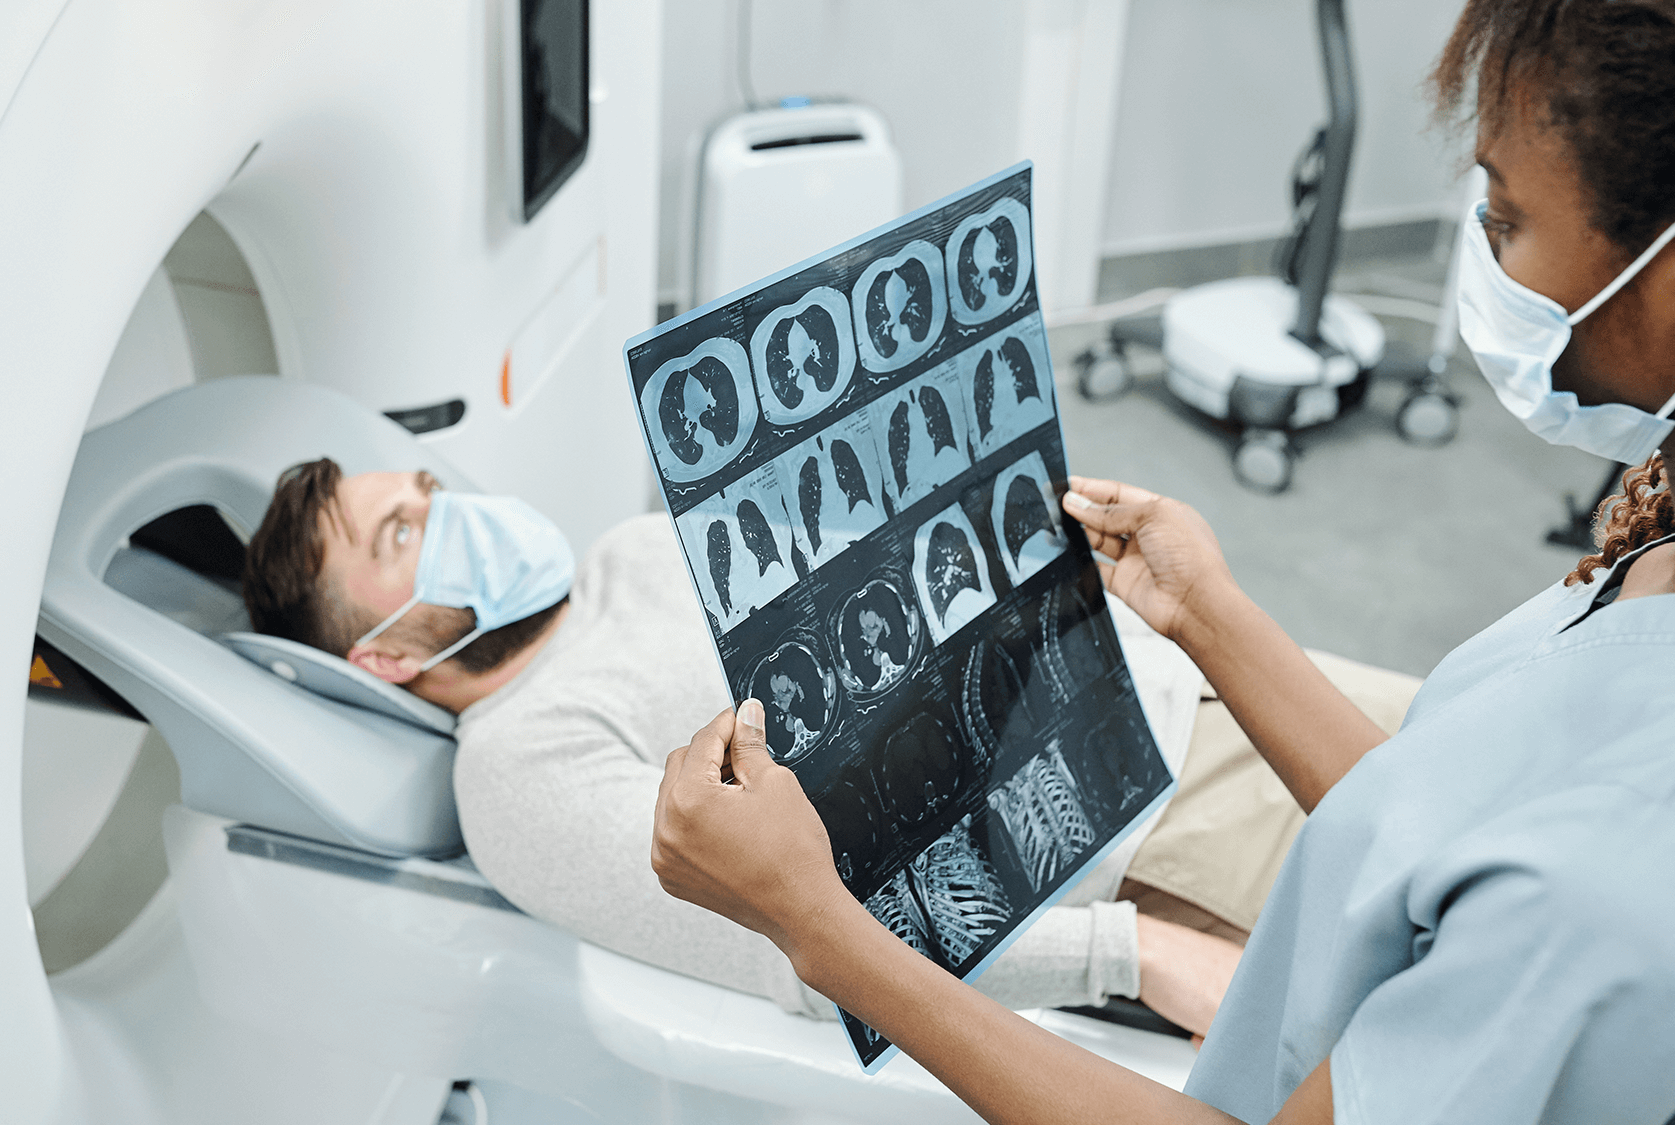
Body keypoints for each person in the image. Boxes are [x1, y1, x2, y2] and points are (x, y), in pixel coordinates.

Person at [650, 2, 1675, 1120]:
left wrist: (817, 928)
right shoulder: (1651, 562)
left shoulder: (1604, 890)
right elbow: (1442, 834)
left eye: (1504, 217)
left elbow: (1525, 887)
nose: (1486, 252)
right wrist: (1205, 613)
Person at [239, 457, 1316, 1036]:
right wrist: (1133, 955)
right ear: (380, 657)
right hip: (1139, 827)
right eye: (400, 537)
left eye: (424, 493)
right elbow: (800, 942)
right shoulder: (519, 766)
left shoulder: (631, 546)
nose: (450, 511)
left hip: (1170, 665)